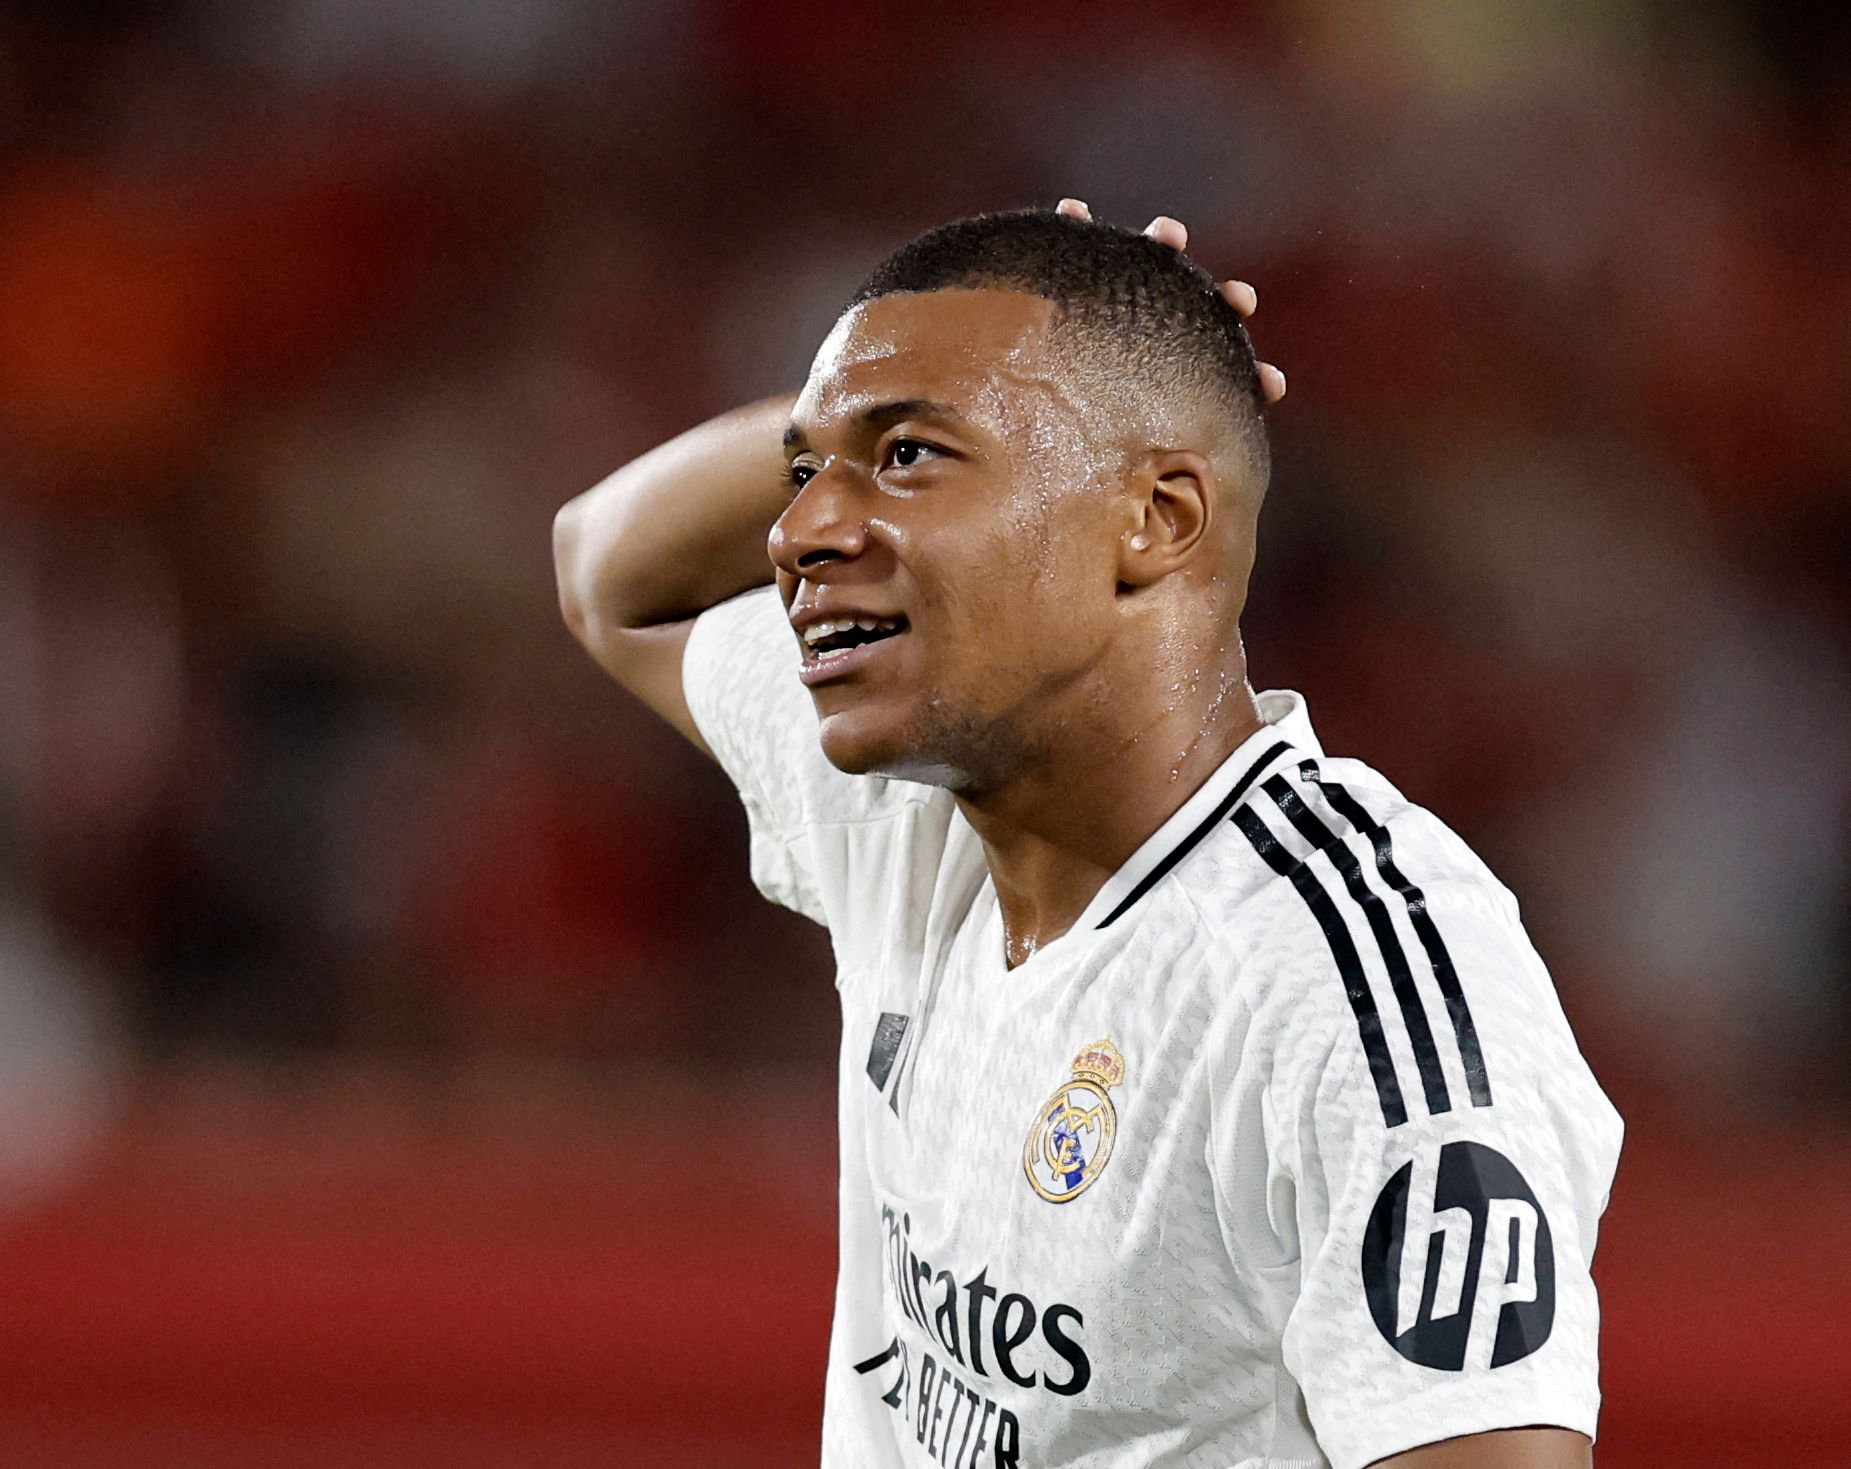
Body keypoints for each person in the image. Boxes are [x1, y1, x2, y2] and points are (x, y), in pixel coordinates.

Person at [551, 201, 1621, 1469]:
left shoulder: (1347, 985)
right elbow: (604, 569)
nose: (796, 534)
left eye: (909, 459)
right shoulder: (914, 805)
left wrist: (1064, 372)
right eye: (801, 478)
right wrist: (887, 383)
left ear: (1158, 520)